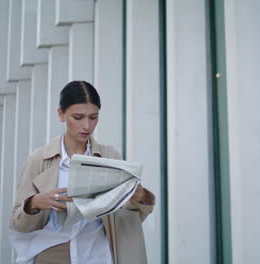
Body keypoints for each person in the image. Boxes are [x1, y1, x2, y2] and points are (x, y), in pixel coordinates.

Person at [10, 81, 155, 264]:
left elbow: (127, 218)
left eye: (93, 117)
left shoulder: (110, 156)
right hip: (51, 255)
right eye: (78, 117)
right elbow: (18, 223)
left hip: (98, 255)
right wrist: (34, 203)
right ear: (61, 114)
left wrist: (139, 197)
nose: (87, 126)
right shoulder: (38, 160)